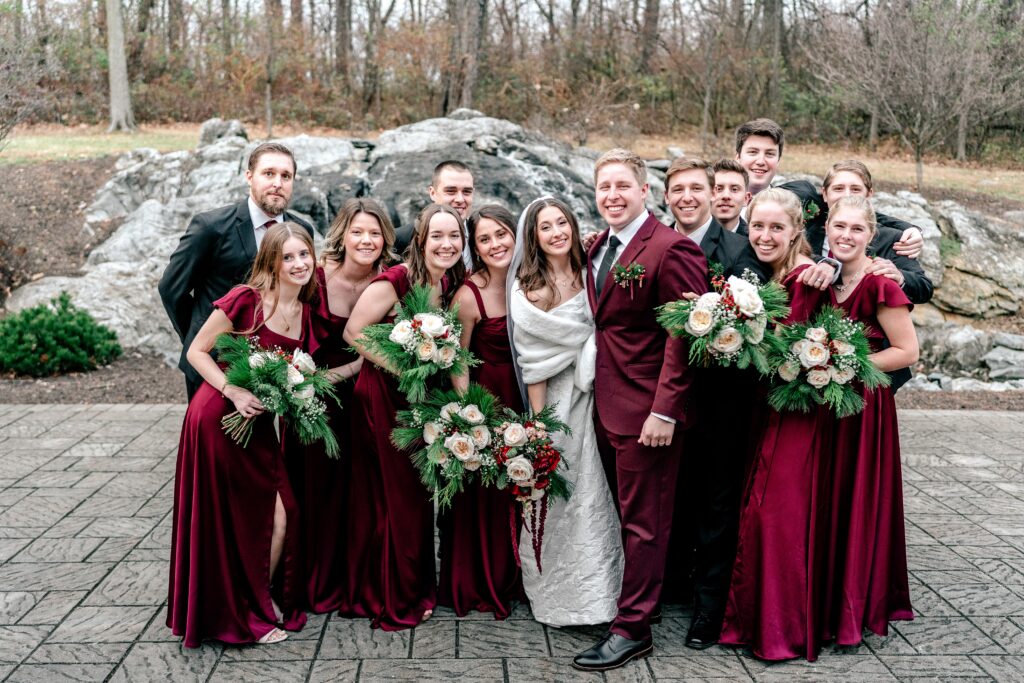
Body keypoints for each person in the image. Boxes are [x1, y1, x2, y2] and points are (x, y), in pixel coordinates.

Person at [573, 150, 708, 671]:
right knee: (628, 516)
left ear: (644, 191)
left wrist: (666, 411)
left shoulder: (670, 249)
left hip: (648, 412)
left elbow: (684, 332)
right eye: (604, 186)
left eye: (622, 186)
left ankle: (632, 630)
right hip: (605, 405)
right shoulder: (600, 246)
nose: (611, 195)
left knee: (645, 523)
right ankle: (635, 607)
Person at [166, 222, 316, 648]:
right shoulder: (246, 299)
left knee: (281, 514)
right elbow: (196, 350)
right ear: (271, 261)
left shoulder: (305, 308)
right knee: (229, 518)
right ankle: (241, 612)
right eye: (288, 257)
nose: (299, 263)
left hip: (259, 426)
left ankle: (254, 601)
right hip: (219, 416)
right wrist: (232, 388)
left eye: (304, 254)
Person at [719, 188, 834, 661]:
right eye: (757, 227)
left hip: (798, 416)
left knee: (775, 517)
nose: (764, 236)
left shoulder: (808, 279)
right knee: (757, 513)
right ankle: (756, 622)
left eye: (776, 228)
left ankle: (780, 631)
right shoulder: (764, 277)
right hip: (765, 412)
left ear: (796, 232)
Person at [341, 203, 466, 630]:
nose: (446, 244)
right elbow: (353, 332)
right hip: (383, 397)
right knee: (397, 497)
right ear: (421, 240)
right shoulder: (397, 280)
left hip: (418, 400)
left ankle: (407, 585)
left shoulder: (448, 282)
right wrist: (406, 370)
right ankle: (396, 596)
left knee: (413, 495)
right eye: (438, 236)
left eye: (454, 237)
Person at [660, 157, 765, 649]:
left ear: (710, 195)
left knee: (716, 504)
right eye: (677, 189)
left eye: (696, 189)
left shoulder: (743, 255)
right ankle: (673, 584)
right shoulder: (656, 245)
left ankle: (709, 606)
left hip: (721, 402)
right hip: (663, 398)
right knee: (673, 496)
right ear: (666, 197)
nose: (687, 197)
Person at [506, 196, 624, 627]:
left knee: (601, 492)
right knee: (565, 494)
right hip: (558, 404)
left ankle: (606, 590)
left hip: (599, 393)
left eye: (562, 223)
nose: (557, 232)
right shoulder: (529, 287)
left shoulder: (592, 271)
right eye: (545, 227)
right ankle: (560, 593)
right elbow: (532, 364)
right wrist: (539, 426)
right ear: (533, 237)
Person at [289, 198, 394, 614]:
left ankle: (362, 581)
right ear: (342, 235)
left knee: (364, 494)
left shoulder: (390, 282)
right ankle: (317, 581)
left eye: (374, 233)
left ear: (385, 238)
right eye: (357, 232)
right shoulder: (313, 278)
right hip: (315, 395)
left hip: (369, 398)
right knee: (319, 490)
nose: (366, 240)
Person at [823, 195, 918, 647]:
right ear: (826, 230)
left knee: (857, 500)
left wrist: (848, 363)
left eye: (856, 229)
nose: (846, 235)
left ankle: (854, 605)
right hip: (824, 408)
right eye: (838, 226)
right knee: (829, 502)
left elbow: (906, 351)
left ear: (870, 236)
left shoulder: (882, 284)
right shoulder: (824, 281)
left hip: (865, 409)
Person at [159, 142, 314, 400]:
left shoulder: (301, 230)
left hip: (277, 370)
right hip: (216, 366)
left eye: (286, 176)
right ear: (249, 177)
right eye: (269, 173)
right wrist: (199, 337)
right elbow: (171, 289)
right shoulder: (211, 227)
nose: (278, 182)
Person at [440, 205, 525, 619]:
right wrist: (472, 416)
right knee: (488, 497)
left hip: (529, 395)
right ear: (474, 248)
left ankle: (521, 575)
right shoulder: (468, 294)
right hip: (488, 399)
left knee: (523, 489)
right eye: (484, 240)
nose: (496, 245)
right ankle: (481, 578)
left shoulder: (529, 280)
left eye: (501, 234)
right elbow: (457, 359)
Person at [733, 119, 925, 262]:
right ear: (737, 157)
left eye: (769, 154)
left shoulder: (797, 197)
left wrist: (909, 228)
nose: (761, 161)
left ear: (778, 160)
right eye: (753, 152)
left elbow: (847, 208)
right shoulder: (715, 201)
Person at [393, 160, 475, 267]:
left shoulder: (483, 236)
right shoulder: (400, 239)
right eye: (451, 191)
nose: (460, 199)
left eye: (466, 192)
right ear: (432, 193)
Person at [711, 158, 752, 234]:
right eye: (719, 189)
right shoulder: (689, 237)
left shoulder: (754, 241)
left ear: (746, 199)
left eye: (734, 189)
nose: (726, 196)